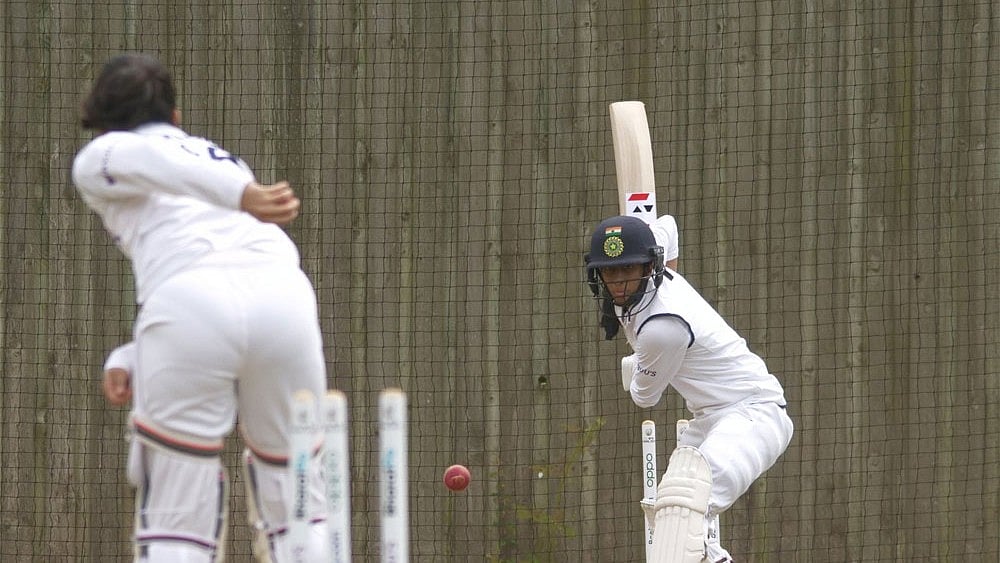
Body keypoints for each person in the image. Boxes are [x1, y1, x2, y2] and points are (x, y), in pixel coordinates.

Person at [74, 53, 330, 562]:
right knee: (297, 505)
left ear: (101, 124)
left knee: (175, 518)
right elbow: (228, 286)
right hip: (286, 303)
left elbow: (203, 292)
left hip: (191, 308)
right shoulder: (216, 159)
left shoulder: (99, 157)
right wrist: (131, 354)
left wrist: (243, 195)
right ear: (176, 117)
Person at [584, 215, 793, 563]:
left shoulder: (662, 329)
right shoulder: (658, 258)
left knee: (683, 512)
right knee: (671, 516)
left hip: (755, 416)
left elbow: (644, 396)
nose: (619, 283)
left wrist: (633, 365)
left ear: (650, 264)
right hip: (710, 418)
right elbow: (666, 224)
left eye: (629, 269)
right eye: (610, 272)